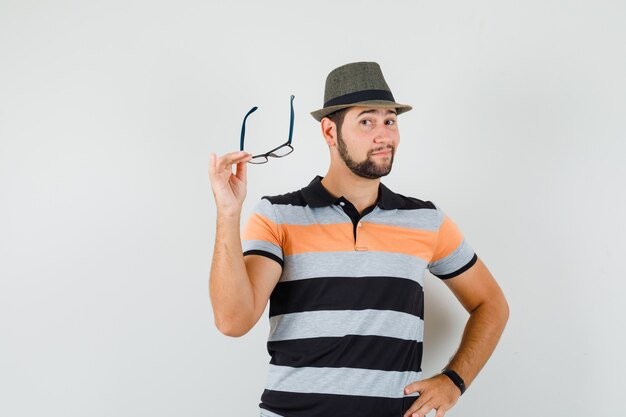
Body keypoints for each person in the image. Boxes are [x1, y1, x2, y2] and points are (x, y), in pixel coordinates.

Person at [208, 62, 509, 417]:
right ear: (329, 132)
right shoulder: (278, 214)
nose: (384, 135)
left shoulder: (426, 221)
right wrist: (228, 213)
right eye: (366, 121)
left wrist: (454, 381)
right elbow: (232, 321)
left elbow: (491, 304)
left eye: (390, 121)